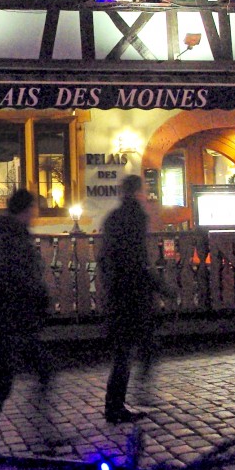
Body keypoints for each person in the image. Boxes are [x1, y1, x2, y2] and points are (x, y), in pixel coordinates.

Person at [0, 189, 56, 455]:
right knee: (2, 383)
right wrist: (39, 297)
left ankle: (39, 433)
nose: (36, 214)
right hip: (8, 321)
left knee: (29, 374)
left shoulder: (8, 234)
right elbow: (16, 279)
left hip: (14, 321)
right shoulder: (12, 238)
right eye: (33, 208)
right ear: (25, 209)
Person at [99, 174, 157, 424]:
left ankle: (117, 403)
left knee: (125, 349)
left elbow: (105, 257)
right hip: (133, 291)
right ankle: (118, 404)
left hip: (118, 291)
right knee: (131, 349)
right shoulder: (135, 217)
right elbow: (138, 258)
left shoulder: (113, 218)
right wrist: (158, 285)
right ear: (137, 192)